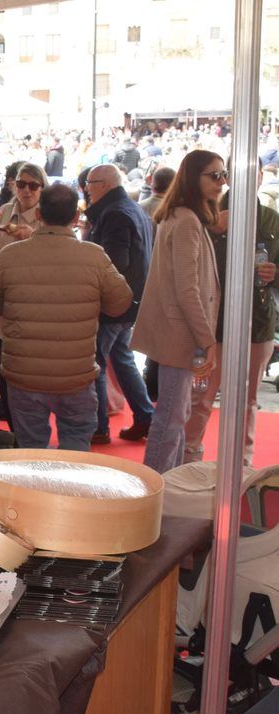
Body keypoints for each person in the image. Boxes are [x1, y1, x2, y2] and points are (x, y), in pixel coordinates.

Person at [0, 183, 133, 451]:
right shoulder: (93, 256)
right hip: (76, 375)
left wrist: (14, 303)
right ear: (75, 218)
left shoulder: (11, 255)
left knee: (31, 452)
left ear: (38, 214)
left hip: (24, 375)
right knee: (76, 453)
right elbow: (120, 303)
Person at [131, 150, 223, 474]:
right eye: (214, 175)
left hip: (179, 333)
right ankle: (153, 493)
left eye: (222, 175)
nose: (221, 182)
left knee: (176, 417)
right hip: (179, 335)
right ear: (192, 178)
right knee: (170, 420)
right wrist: (207, 340)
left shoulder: (185, 217)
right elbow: (188, 290)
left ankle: (168, 488)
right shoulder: (185, 220)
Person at [184, 169, 279, 466]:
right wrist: (212, 230)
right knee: (202, 397)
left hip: (257, 321)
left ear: (261, 176)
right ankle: (188, 459)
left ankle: (242, 465)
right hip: (212, 323)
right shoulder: (205, 216)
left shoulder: (271, 220)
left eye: (255, 171)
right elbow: (187, 267)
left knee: (248, 400)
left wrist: (274, 275)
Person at [84, 164, 156, 444]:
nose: (86, 188)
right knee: (122, 360)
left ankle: (99, 426)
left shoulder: (114, 213)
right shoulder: (131, 208)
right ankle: (145, 415)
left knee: (97, 363)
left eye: (89, 183)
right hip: (130, 301)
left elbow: (113, 263)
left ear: (103, 185)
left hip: (115, 303)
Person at [0, 162, 48, 430]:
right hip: (0, 303)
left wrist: (31, 236)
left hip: (30, 305)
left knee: (24, 376)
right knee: (2, 364)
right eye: (21, 184)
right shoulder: (5, 211)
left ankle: (29, 432)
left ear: (42, 188)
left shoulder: (45, 217)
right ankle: (15, 427)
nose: (26, 190)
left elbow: (55, 255)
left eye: (32, 185)